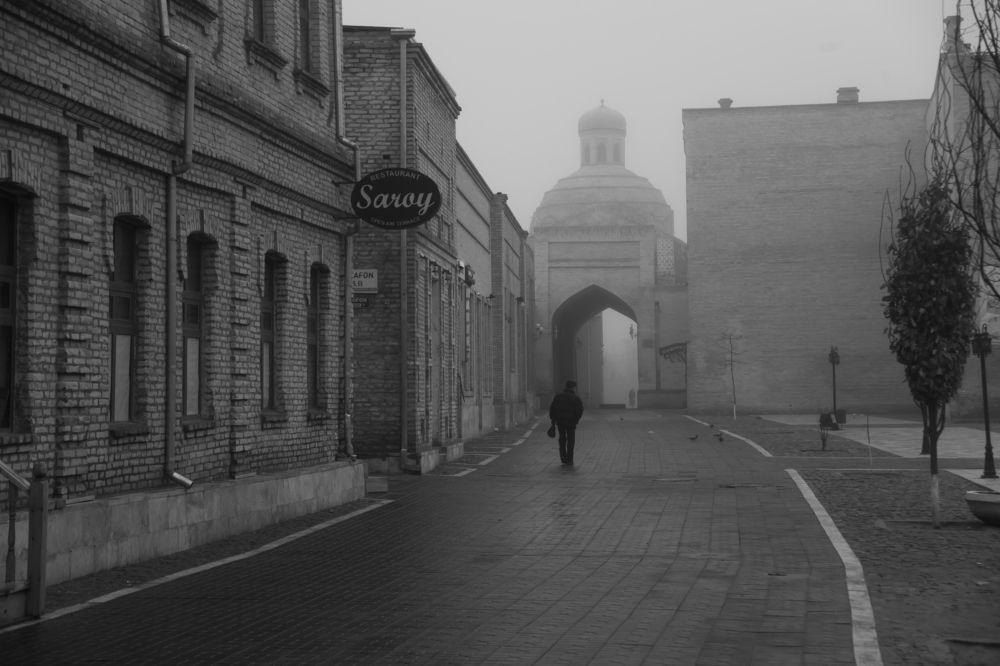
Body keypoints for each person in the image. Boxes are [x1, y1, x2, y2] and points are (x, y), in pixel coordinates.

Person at [548, 380, 584, 465]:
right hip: (571, 422)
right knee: (571, 440)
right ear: (574, 388)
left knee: (562, 438)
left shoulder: (558, 396)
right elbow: (580, 411)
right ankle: (570, 459)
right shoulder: (576, 398)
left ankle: (563, 457)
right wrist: (576, 420)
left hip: (560, 422)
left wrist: (553, 421)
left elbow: (553, 409)